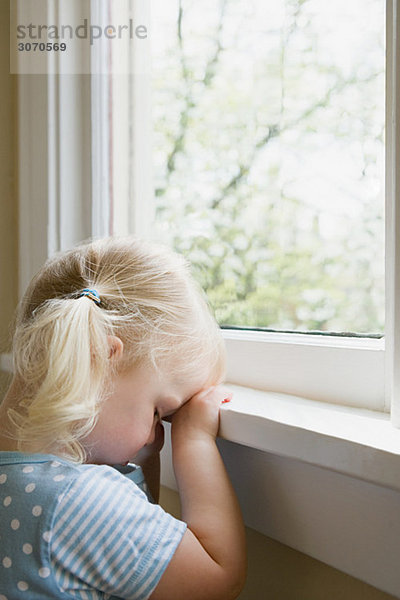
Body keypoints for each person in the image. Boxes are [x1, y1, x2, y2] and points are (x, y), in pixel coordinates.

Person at [0, 236, 246, 600]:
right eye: (158, 411)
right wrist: (193, 441)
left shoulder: (25, 484)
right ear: (100, 358)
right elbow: (217, 579)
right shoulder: (76, 501)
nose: (152, 436)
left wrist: (145, 463)